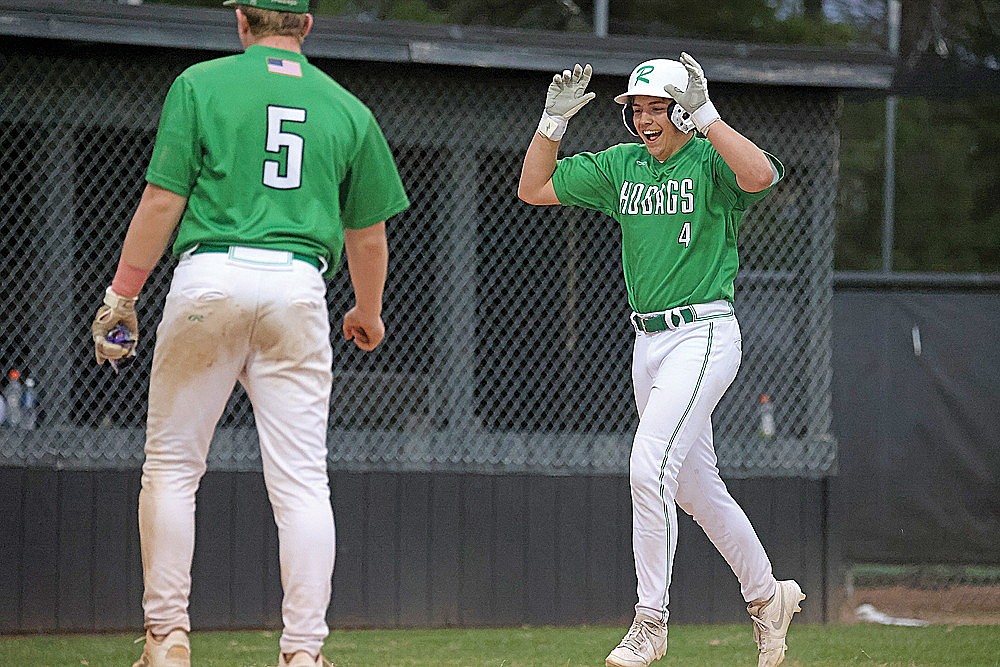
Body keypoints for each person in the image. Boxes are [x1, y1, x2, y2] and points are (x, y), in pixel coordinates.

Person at [90, 0, 410, 665]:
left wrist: (122, 292)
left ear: (242, 22)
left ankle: (168, 639)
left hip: (209, 277)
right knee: (301, 484)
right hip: (298, 286)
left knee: (175, 468)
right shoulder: (347, 107)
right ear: (307, 27)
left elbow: (162, 199)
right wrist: (368, 311)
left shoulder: (201, 84)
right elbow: (370, 236)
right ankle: (302, 652)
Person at [517, 55, 805, 667]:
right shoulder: (622, 166)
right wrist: (551, 121)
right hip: (647, 343)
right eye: (637, 108)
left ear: (680, 108)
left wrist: (707, 115)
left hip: (702, 332)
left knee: (650, 466)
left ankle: (650, 621)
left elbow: (760, 177)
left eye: (656, 106)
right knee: (698, 490)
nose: (644, 118)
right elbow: (534, 189)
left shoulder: (707, 158)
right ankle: (768, 596)